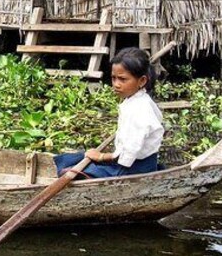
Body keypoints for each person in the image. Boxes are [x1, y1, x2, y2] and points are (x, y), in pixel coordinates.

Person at [54, 47, 164, 178]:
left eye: (123, 79)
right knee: (70, 159)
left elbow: (128, 155)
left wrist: (102, 156)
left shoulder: (140, 110)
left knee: (75, 171)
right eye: (114, 78)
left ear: (142, 81)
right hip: (130, 163)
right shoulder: (135, 100)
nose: (116, 84)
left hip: (132, 169)